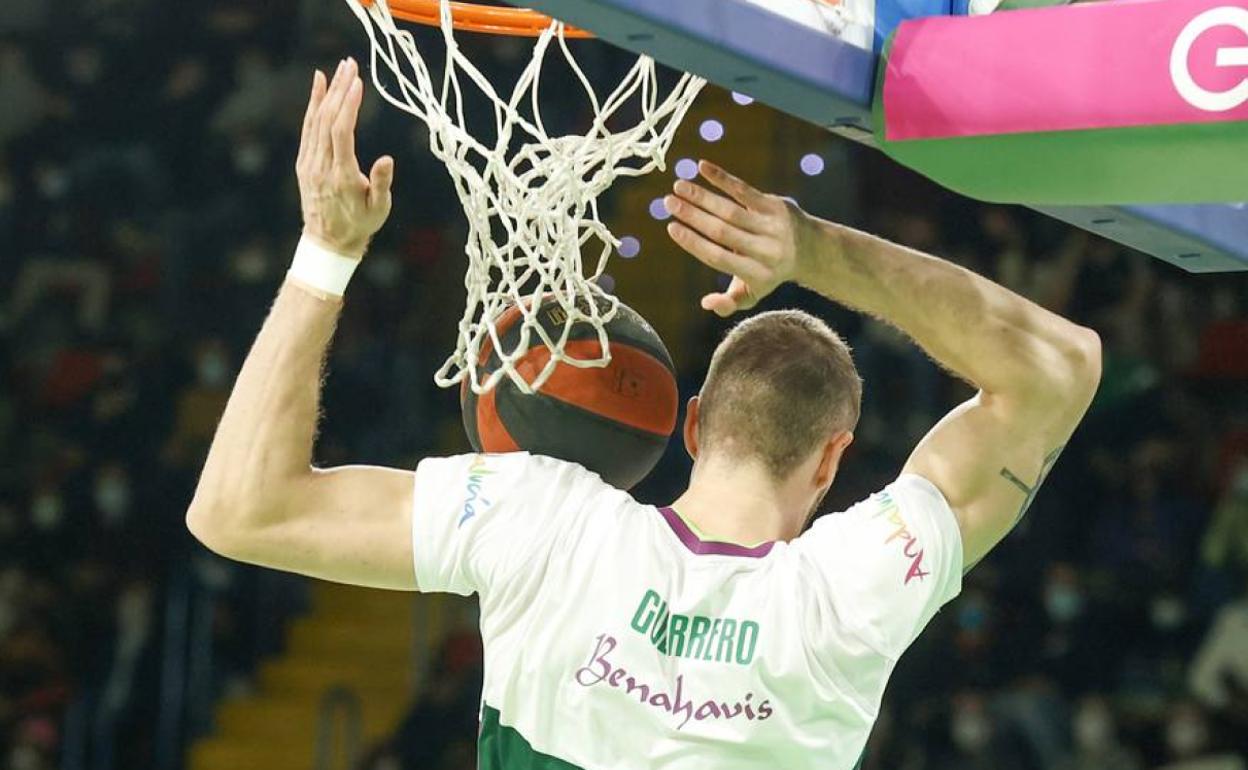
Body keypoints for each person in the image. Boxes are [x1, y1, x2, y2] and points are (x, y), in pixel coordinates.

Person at [187, 59, 1102, 769]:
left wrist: (327, 251)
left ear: (693, 424)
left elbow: (237, 510)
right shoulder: (852, 590)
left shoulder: (541, 521)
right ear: (831, 460)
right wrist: (814, 249)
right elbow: (1062, 367)